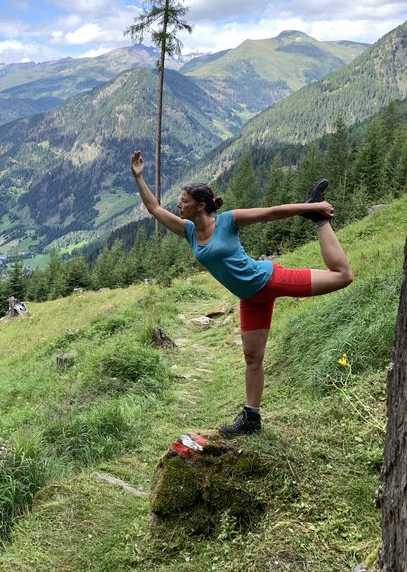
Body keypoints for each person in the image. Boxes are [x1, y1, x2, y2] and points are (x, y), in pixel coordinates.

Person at [130, 150, 354, 436]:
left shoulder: (227, 221)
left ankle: (321, 222)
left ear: (200, 206)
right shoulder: (188, 231)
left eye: (183, 201)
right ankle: (251, 419)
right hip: (250, 298)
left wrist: (310, 209)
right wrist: (139, 177)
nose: (178, 205)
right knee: (252, 357)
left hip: (269, 279)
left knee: (343, 276)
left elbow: (270, 213)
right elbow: (154, 209)